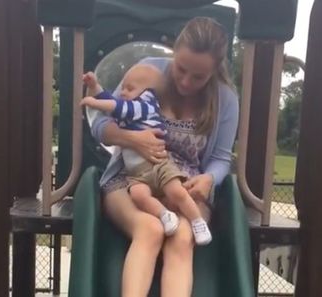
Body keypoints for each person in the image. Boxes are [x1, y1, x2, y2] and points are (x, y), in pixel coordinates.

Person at [88, 16, 238, 297]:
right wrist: (132, 139)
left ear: (214, 71)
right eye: (181, 69)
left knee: (182, 237)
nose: (186, 81)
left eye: (198, 76)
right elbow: (100, 125)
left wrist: (209, 179)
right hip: (132, 178)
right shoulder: (147, 74)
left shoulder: (225, 99)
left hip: (184, 184)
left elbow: (220, 158)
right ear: (175, 51)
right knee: (150, 229)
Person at [81, 64, 213, 245]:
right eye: (123, 87)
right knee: (139, 196)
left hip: (159, 165)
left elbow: (113, 104)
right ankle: (164, 215)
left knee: (176, 192)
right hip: (137, 173)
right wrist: (94, 86)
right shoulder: (128, 111)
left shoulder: (144, 107)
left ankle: (197, 221)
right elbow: (110, 100)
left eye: (130, 88)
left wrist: (92, 102)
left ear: (148, 93)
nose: (122, 92)